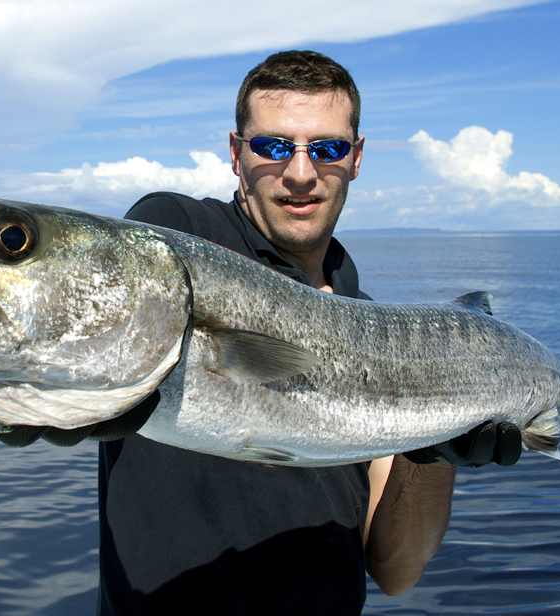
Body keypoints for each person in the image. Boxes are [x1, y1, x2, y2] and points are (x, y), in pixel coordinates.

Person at [94, 50, 523, 615]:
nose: (300, 172)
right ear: (235, 153)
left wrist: (434, 457)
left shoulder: (374, 327)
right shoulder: (176, 235)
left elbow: (394, 571)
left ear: (357, 157)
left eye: (327, 148)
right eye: (272, 146)